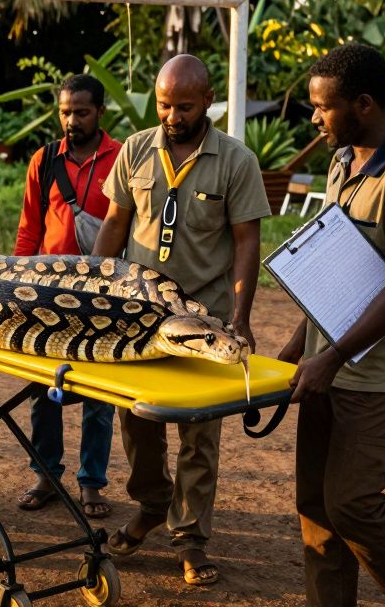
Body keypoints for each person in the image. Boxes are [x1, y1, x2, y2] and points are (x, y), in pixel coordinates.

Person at [276, 44, 385, 606]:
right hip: (328, 367)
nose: (315, 118)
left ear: (365, 104)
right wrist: (295, 351)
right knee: (316, 507)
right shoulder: (341, 161)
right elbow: (334, 274)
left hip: (378, 377)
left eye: (323, 107)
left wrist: (329, 357)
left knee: (352, 503)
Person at [93, 54, 269, 585]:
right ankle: (151, 505)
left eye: (184, 106)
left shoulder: (236, 161)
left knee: (199, 433)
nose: (172, 115)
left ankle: (191, 539)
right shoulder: (135, 150)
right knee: (137, 420)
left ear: (208, 101)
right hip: (139, 321)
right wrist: (96, 289)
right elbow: (114, 226)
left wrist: (240, 316)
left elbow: (246, 243)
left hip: (206, 322)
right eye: (164, 104)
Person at [13, 74, 122, 519]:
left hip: (104, 292)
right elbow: (29, 228)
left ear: (99, 112)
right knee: (43, 390)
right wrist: (17, 283)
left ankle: (92, 483)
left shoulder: (122, 158)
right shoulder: (44, 159)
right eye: (64, 112)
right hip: (47, 292)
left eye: (80, 112)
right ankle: (45, 475)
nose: (71, 120)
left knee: (99, 397)